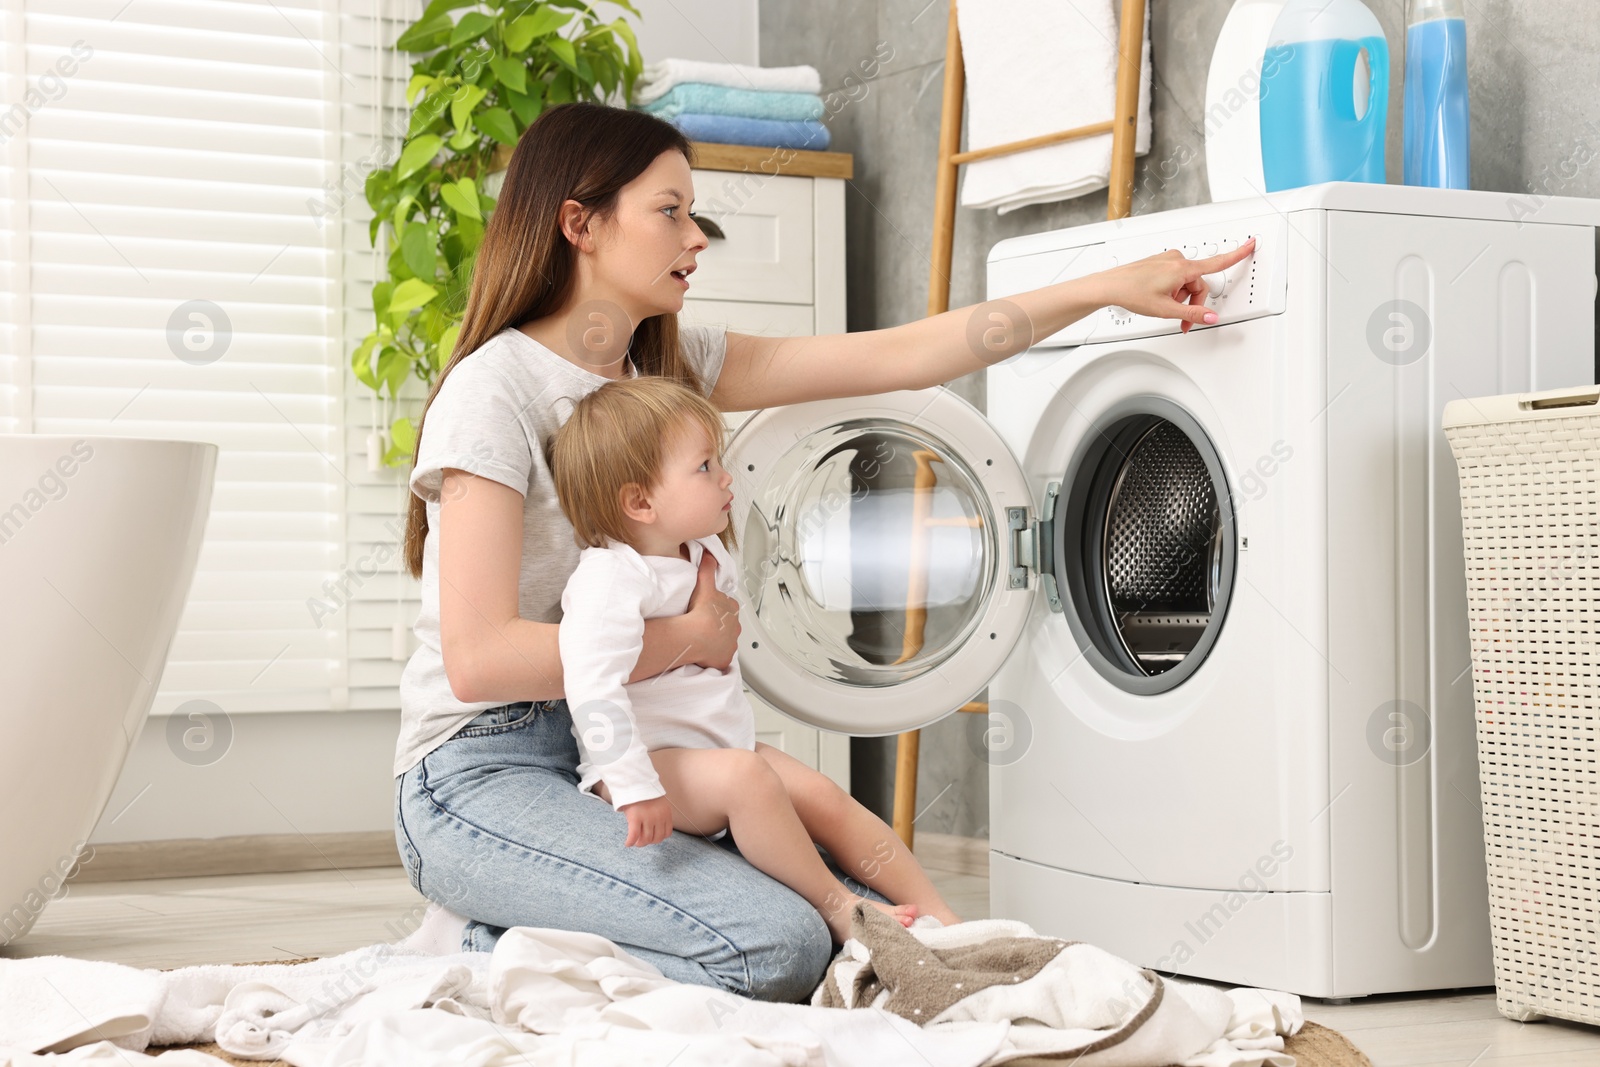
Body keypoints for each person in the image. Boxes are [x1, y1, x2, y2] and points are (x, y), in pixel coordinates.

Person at [391, 100, 1255, 1003]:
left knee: (877, 920)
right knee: (777, 947)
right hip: (481, 769)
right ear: (581, 224)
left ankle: (559, 917)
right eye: (670, 211)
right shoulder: (494, 393)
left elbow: (902, 356)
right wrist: (689, 638)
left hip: (620, 754)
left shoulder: (667, 367)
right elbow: (479, 657)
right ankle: (482, 938)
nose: (696, 236)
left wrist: (1103, 287)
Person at [546, 375, 962, 943]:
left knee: (823, 796)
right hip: (648, 763)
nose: (725, 476)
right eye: (704, 467)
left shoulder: (704, 553)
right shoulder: (611, 577)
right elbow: (591, 685)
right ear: (640, 501)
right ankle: (839, 907)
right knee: (747, 778)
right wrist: (632, 785)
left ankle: (947, 917)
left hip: (719, 750)